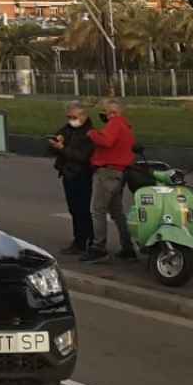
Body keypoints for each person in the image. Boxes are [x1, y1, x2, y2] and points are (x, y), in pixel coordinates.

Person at [83, 97, 137, 262]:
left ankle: (99, 248)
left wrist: (92, 133)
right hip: (120, 172)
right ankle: (127, 247)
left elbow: (106, 141)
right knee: (117, 212)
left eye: (105, 111)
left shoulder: (115, 124)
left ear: (112, 112)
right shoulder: (127, 127)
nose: (103, 115)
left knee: (97, 210)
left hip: (107, 171)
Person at [49, 101, 95, 255]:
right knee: (74, 209)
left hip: (81, 173)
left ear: (83, 115)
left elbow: (82, 157)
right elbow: (52, 146)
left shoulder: (89, 133)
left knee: (82, 209)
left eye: (73, 117)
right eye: (69, 117)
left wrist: (63, 148)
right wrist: (56, 143)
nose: (71, 120)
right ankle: (80, 239)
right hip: (68, 172)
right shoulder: (67, 129)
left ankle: (85, 240)